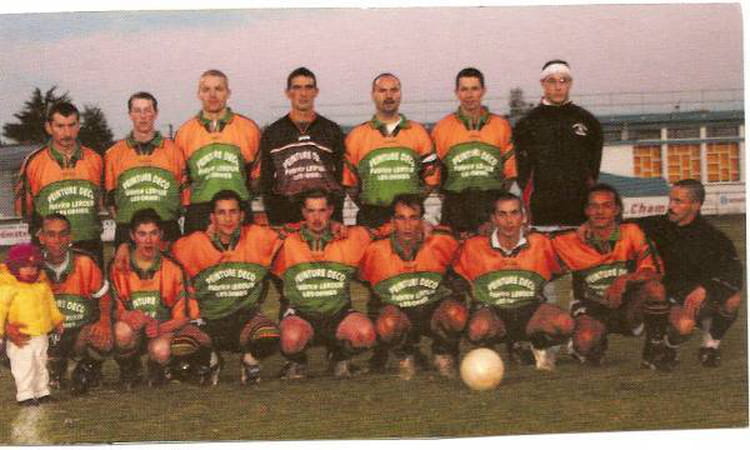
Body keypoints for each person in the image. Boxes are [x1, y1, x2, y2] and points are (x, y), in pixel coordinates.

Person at [552, 184, 670, 368]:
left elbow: (655, 272)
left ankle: (654, 348)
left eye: (606, 206)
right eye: (594, 206)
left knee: (655, 289)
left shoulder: (632, 233)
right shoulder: (568, 240)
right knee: (584, 343)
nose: (600, 212)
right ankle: (594, 342)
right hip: (592, 306)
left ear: (617, 210)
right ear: (586, 210)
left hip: (628, 304)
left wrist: (624, 280)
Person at [171, 190, 282, 385]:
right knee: (181, 347)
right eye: (221, 213)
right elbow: (158, 249)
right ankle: (211, 360)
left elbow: (292, 234)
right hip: (207, 321)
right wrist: (123, 247)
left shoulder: (258, 237)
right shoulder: (193, 244)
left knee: (269, 335)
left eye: (233, 212)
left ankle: (250, 361)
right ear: (212, 217)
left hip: (246, 319)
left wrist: (334, 226)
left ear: (242, 215)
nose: (228, 218)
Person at [453, 193, 573, 371]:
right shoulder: (474, 246)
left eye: (514, 213)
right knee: (478, 329)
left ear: (523, 217)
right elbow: (449, 266)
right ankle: (488, 352)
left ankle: (539, 344)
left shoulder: (540, 242)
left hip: (531, 309)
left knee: (564, 323)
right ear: (493, 218)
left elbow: (567, 256)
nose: (509, 221)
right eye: (502, 214)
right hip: (493, 311)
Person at [635, 179, 743, 368]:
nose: (671, 206)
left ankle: (710, 346)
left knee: (733, 299)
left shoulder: (714, 237)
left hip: (696, 298)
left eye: (678, 202)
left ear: (695, 205)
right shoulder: (656, 226)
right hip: (666, 297)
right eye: (671, 200)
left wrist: (706, 288)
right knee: (684, 326)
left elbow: (734, 273)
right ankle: (666, 347)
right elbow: (617, 227)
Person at [359, 194, 466, 379]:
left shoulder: (442, 242)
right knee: (387, 323)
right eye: (401, 218)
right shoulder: (375, 250)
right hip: (400, 313)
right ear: (392, 221)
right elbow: (360, 276)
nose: (407, 225)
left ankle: (443, 353)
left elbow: (465, 261)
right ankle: (406, 355)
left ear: (422, 220)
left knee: (456, 314)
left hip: (433, 310)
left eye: (413, 218)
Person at [272, 190, 376, 379]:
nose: (317, 217)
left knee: (365, 334)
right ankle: (297, 362)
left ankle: (339, 359)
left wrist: (424, 226)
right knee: (291, 339)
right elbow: (251, 237)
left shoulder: (349, 238)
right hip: (301, 315)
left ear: (331, 211)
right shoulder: (287, 241)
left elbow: (386, 233)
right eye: (311, 211)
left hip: (339, 314)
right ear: (303, 212)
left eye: (322, 210)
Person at [110, 209, 211, 388]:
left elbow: (183, 317)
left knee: (161, 351)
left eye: (153, 233)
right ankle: (130, 367)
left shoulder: (174, 268)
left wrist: (160, 327)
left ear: (161, 235)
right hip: (133, 331)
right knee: (121, 331)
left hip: (162, 331)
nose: (148, 240)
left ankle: (156, 366)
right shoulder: (118, 266)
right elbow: (111, 308)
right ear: (132, 236)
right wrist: (127, 315)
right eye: (142, 234)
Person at [514, 60, 603, 231]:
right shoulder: (527, 124)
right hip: (541, 214)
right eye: (552, 81)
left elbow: (593, 169)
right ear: (542, 83)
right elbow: (522, 173)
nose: (558, 87)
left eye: (563, 81)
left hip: (579, 212)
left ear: (570, 83)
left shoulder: (588, 121)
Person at [343, 73, 439, 229]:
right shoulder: (357, 136)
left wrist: (411, 206)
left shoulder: (419, 132)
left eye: (394, 90)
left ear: (400, 94)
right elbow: (350, 184)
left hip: (409, 221)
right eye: (382, 91)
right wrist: (369, 205)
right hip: (372, 218)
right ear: (373, 95)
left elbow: (431, 178)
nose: (389, 96)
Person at [15, 102, 105, 265]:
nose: (66, 133)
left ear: (78, 126)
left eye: (71, 125)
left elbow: (103, 203)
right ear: (49, 127)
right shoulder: (33, 162)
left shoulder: (95, 159)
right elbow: (24, 210)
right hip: (49, 249)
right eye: (60, 126)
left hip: (89, 244)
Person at [431, 67, 516, 237]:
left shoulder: (501, 126)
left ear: (483, 91)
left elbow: (510, 174)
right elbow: (434, 176)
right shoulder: (442, 127)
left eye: (474, 89)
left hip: (490, 208)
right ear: (456, 92)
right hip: (455, 209)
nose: (469, 95)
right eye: (464, 89)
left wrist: (496, 211)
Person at [175, 69, 261, 234]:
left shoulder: (248, 128)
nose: (212, 95)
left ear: (228, 93)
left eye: (219, 89)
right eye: (206, 89)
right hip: (199, 211)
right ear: (199, 94)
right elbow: (181, 179)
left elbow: (257, 175)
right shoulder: (184, 133)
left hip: (238, 208)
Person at [258, 67, 346, 225]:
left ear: (316, 92)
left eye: (308, 87)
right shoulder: (273, 132)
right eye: (297, 88)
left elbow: (341, 180)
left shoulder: (331, 130)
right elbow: (266, 182)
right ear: (288, 93)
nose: (303, 94)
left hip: (324, 216)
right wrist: (275, 220)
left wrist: (335, 216)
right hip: (286, 215)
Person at [39, 213, 112, 395]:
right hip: (47, 334)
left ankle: (86, 367)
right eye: (51, 234)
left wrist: (104, 321)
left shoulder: (85, 263)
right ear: (41, 238)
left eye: (63, 234)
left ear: (70, 237)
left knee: (106, 336)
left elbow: (104, 296)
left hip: (79, 332)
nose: (58, 240)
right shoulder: (32, 266)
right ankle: (51, 367)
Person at [105, 92, 186, 247]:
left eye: (147, 110)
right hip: (127, 230)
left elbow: (183, 192)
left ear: (155, 113)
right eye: (137, 111)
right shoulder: (114, 153)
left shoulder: (174, 151)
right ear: (130, 114)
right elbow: (110, 200)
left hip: (167, 229)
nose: (143, 116)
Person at [0, 243, 65, 406]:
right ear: (14, 267)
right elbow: (1, 311)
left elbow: (51, 305)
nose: (31, 271)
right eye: (25, 267)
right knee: (24, 365)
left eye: (34, 267)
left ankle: (42, 391)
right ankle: (25, 394)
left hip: (41, 333)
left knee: (41, 362)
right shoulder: (8, 288)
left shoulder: (41, 286)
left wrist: (57, 319)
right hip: (21, 335)